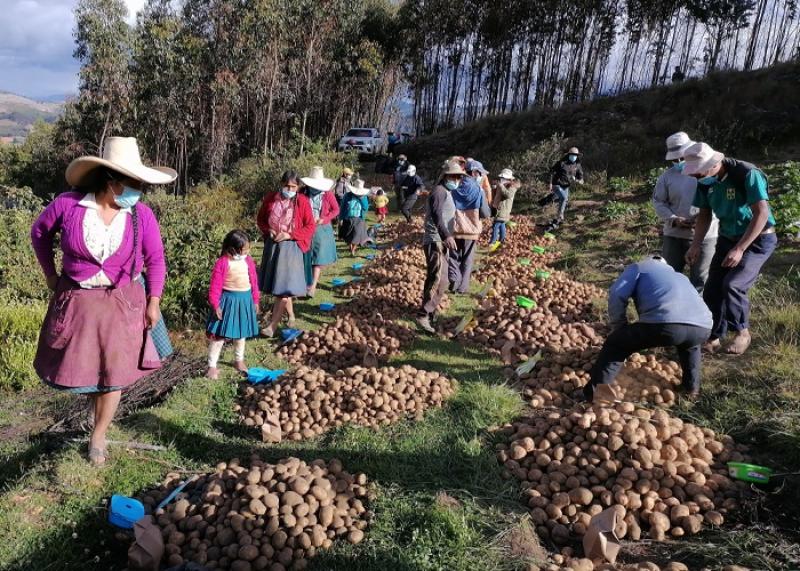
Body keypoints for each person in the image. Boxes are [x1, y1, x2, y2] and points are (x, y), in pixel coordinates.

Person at [30, 136, 175, 465]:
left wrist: (153, 301)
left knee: (115, 373)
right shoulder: (68, 206)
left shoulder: (141, 217)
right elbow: (39, 233)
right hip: (78, 302)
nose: (139, 190)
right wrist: (50, 275)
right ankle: (96, 418)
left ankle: (99, 435)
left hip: (122, 303)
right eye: (133, 183)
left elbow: (156, 260)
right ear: (112, 183)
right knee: (87, 370)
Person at [683, 142, 778, 355]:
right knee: (713, 287)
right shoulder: (704, 180)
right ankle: (714, 336)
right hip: (727, 237)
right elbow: (705, 213)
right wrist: (696, 244)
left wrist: (740, 249)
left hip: (757, 239)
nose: (696, 178)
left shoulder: (746, 174)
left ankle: (742, 332)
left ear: (714, 164)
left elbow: (761, 213)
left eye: (698, 173)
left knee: (733, 284)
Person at [583, 256, 712, 402]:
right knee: (690, 346)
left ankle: (597, 395)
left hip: (666, 324)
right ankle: (691, 390)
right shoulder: (680, 276)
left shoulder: (639, 267)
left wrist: (618, 326)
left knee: (616, 344)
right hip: (703, 326)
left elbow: (617, 293)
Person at [652, 132, 718, 290]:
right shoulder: (667, 177)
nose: (679, 162)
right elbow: (658, 201)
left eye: (682, 157)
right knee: (670, 278)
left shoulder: (707, 173)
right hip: (674, 235)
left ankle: (699, 313)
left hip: (705, 236)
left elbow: (717, 200)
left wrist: (703, 217)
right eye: (675, 160)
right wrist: (673, 218)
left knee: (700, 281)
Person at [256, 171, 316, 337]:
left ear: (298, 187)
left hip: (291, 247)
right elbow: (261, 219)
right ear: (281, 184)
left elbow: (310, 226)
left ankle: (272, 327)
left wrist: (290, 235)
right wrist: (269, 231)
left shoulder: (302, 202)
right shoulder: (271, 198)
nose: (289, 189)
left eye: (293, 187)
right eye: (286, 186)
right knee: (281, 286)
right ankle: (291, 315)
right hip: (273, 246)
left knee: (283, 289)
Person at [206, 230, 260, 380]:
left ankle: (239, 360)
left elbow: (254, 282)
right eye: (244, 249)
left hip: (244, 300)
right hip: (228, 301)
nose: (247, 251)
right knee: (219, 336)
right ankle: (212, 365)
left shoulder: (248, 261)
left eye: (248, 248)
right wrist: (215, 305)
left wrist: (255, 300)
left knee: (241, 334)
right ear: (232, 249)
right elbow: (215, 286)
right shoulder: (223, 262)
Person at [418, 160, 461, 333]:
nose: (457, 179)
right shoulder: (439, 191)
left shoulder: (446, 191)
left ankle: (431, 312)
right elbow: (436, 216)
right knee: (437, 278)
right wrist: (446, 235)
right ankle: (423, 314)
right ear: (446, 176)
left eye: (459, 177)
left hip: (440, 240)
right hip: (435, 240)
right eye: (454, 176)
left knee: (440, 279)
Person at [449, 160, 491, 294]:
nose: (481, 176)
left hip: (455, 229)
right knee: (467, 258)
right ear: (473, 172)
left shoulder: (454, 187)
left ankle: (454, 281)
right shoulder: (478, 190)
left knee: (453, 256)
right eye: (480, 173)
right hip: (471, 230)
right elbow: (485, 213)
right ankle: (463, 287)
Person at [300, 166, 339, 298]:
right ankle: (305, 283)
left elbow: (336, 210)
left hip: (321, 229)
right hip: (305, 228)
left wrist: (324, 219)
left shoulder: (327, 195)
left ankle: (313, 286)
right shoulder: (303, 193)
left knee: (318, 258)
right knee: (305, 256)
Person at [540, 147, 584, 226]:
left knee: (560, 198)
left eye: (575, 155)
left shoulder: (577, 165)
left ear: (577, 156)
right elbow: (551, 171)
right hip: (556, 184)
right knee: (564, 198)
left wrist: (577, 180)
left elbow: (581, 179)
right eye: (572, 155)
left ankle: (543, 202)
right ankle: (560, 217)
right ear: (569, 155)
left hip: (566, 186)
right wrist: (550, 183)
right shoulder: (562, 163)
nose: (574, 156)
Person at [339, 178, 371, 256]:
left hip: (359, 219)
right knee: (348, 235)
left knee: (357, 234)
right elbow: (343, 207)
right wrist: (340, 218)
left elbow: (365, 207)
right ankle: (350, 247)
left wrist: (361, 199)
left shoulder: (364, 197)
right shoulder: (347, 196)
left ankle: (353, 250)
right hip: (348, 218)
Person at [489, 168, 520, 248]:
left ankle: (492, 242)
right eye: (501, 178)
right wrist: (494, 188)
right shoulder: (503, 185)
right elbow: (497, 194)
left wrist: (501, 186)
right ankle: (502, 241)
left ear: (509, 179)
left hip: (504, 209)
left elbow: (508, 195)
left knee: (496, 226)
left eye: (504, 178)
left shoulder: (512, 187)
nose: (502, 180)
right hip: (498, 208)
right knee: (502, 225)